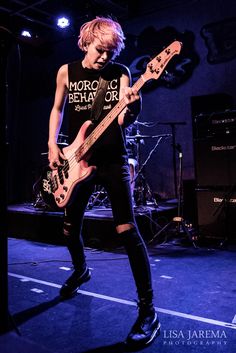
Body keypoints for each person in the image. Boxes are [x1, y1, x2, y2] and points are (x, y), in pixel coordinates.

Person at [47, 16, 160, 349]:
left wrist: (134, 107)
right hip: (77, 158)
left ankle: (148, 312)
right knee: (69, 227)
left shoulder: (121, 72)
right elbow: (57, 108)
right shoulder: (66, 71)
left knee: (127, 230)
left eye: (109, 53)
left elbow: (123, 119)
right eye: (99, 51)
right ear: (85, 42)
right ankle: (81, 269)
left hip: (112, 159)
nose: (103, 58)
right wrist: (53, 142)